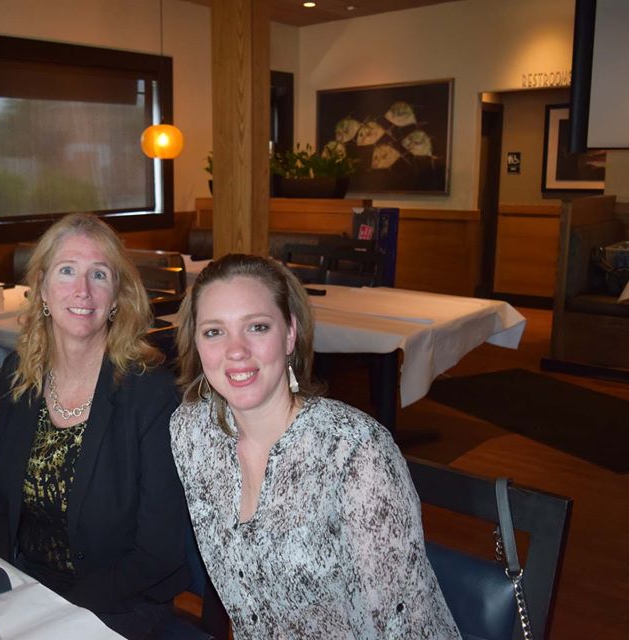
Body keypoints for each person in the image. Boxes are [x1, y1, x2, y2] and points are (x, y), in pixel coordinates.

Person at [169, 253, 459, 639]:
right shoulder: (191, 434)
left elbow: (406, 626)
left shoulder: (356, 452)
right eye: (214, 331)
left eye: (257, 327)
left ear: (289, 334)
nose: (235, 351)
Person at [0, 213, 189, 639]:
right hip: (26, 587)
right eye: (67, 271)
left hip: (117, 606)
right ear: (41, 288)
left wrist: (55, 611)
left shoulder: (150, 395)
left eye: (99, 274)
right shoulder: (21, 376)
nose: (82, 290)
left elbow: (158, 552)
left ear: (117, 296)